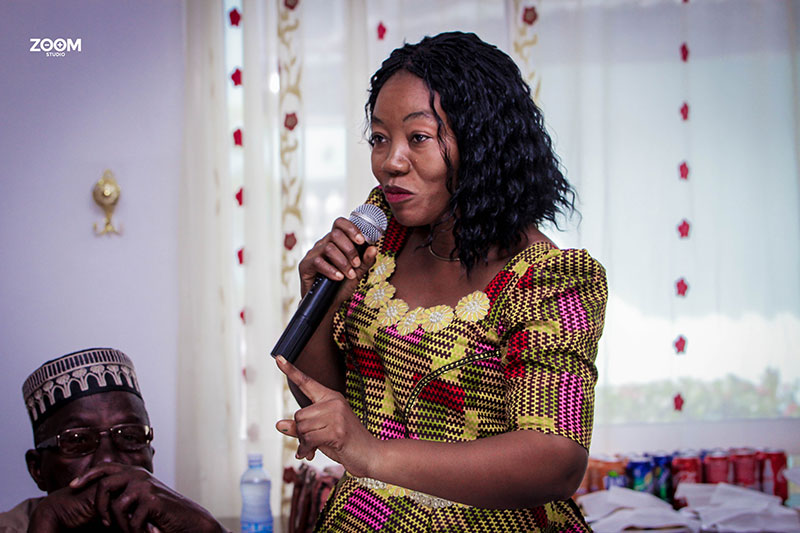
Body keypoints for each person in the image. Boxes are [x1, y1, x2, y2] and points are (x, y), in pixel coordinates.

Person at [274, 31, 608, 532]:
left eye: (419, 137)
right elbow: (330, 400)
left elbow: (555, 460)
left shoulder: (550, 278)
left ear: (483, 141)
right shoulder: (384, 229)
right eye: (381, 138)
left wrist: (374, 455)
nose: (391, 162)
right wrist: (316, 301)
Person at [0, 347, 228, 533]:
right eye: (78, 440)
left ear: (150, 456)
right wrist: (46, 521)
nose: (108, 459)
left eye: (130, 437)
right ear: (37, 469)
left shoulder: (180, 525)